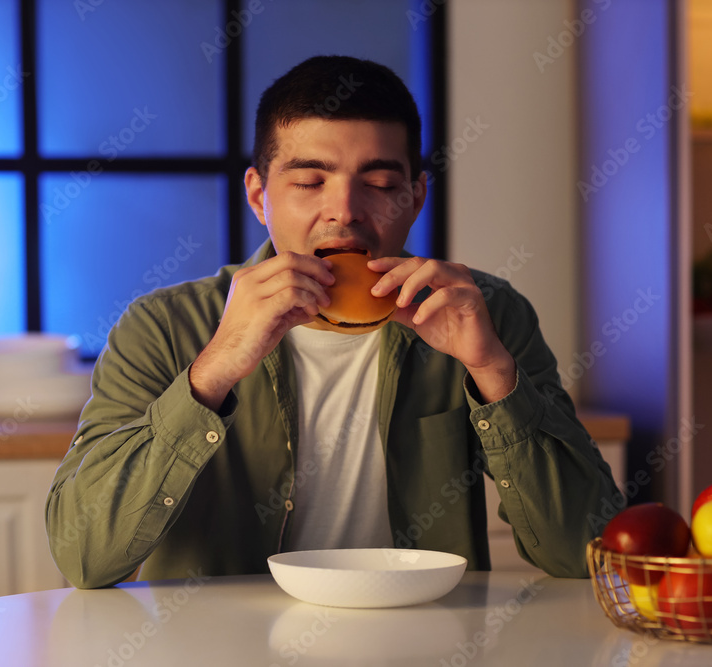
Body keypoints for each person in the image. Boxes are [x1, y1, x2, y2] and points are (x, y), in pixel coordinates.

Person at [45, 55, 618, 589]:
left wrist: (491, 370)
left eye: (380, 184)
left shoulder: (484, 313)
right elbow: (86, 557)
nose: (344, 210)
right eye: (310, 181)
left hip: (425, 643)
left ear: (416, 197)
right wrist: (214, 370)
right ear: (258, 196)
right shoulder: (163, 326)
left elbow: (585, 551)